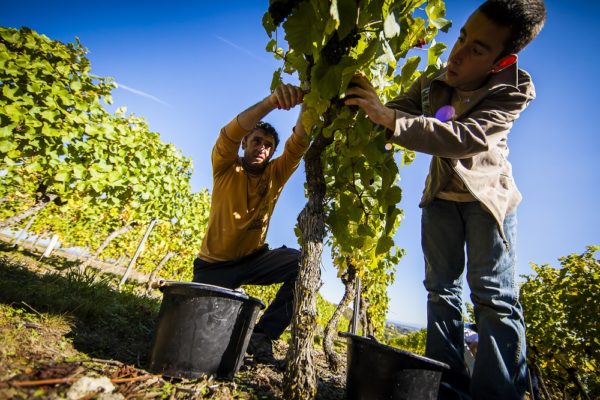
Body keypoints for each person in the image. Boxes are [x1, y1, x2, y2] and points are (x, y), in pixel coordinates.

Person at [345, 0, 546, 398]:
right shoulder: (433, 83)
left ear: (501, 63)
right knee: (440, 291)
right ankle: (448, 387)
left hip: (487, 201)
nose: (458, 52)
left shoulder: (513, 91)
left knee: (494, 299)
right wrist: (364, 98)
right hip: (439, 198)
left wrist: (390, 118)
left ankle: (498, 393)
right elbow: (395, 112)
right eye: (462, 37)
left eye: (477, 49)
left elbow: (464, 138)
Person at [193, 83, 308, 368]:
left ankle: (263, 335)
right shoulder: (224, 166)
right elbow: (228, 133)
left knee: (303, 264)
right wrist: (273, 101)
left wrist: (310, 97)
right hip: (213, 266)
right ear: (245, 143)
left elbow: (300, 141)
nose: (262, 148)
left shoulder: (276, 173)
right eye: (256, 140)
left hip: (254, 260)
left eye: (268, 145)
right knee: (201, 334)